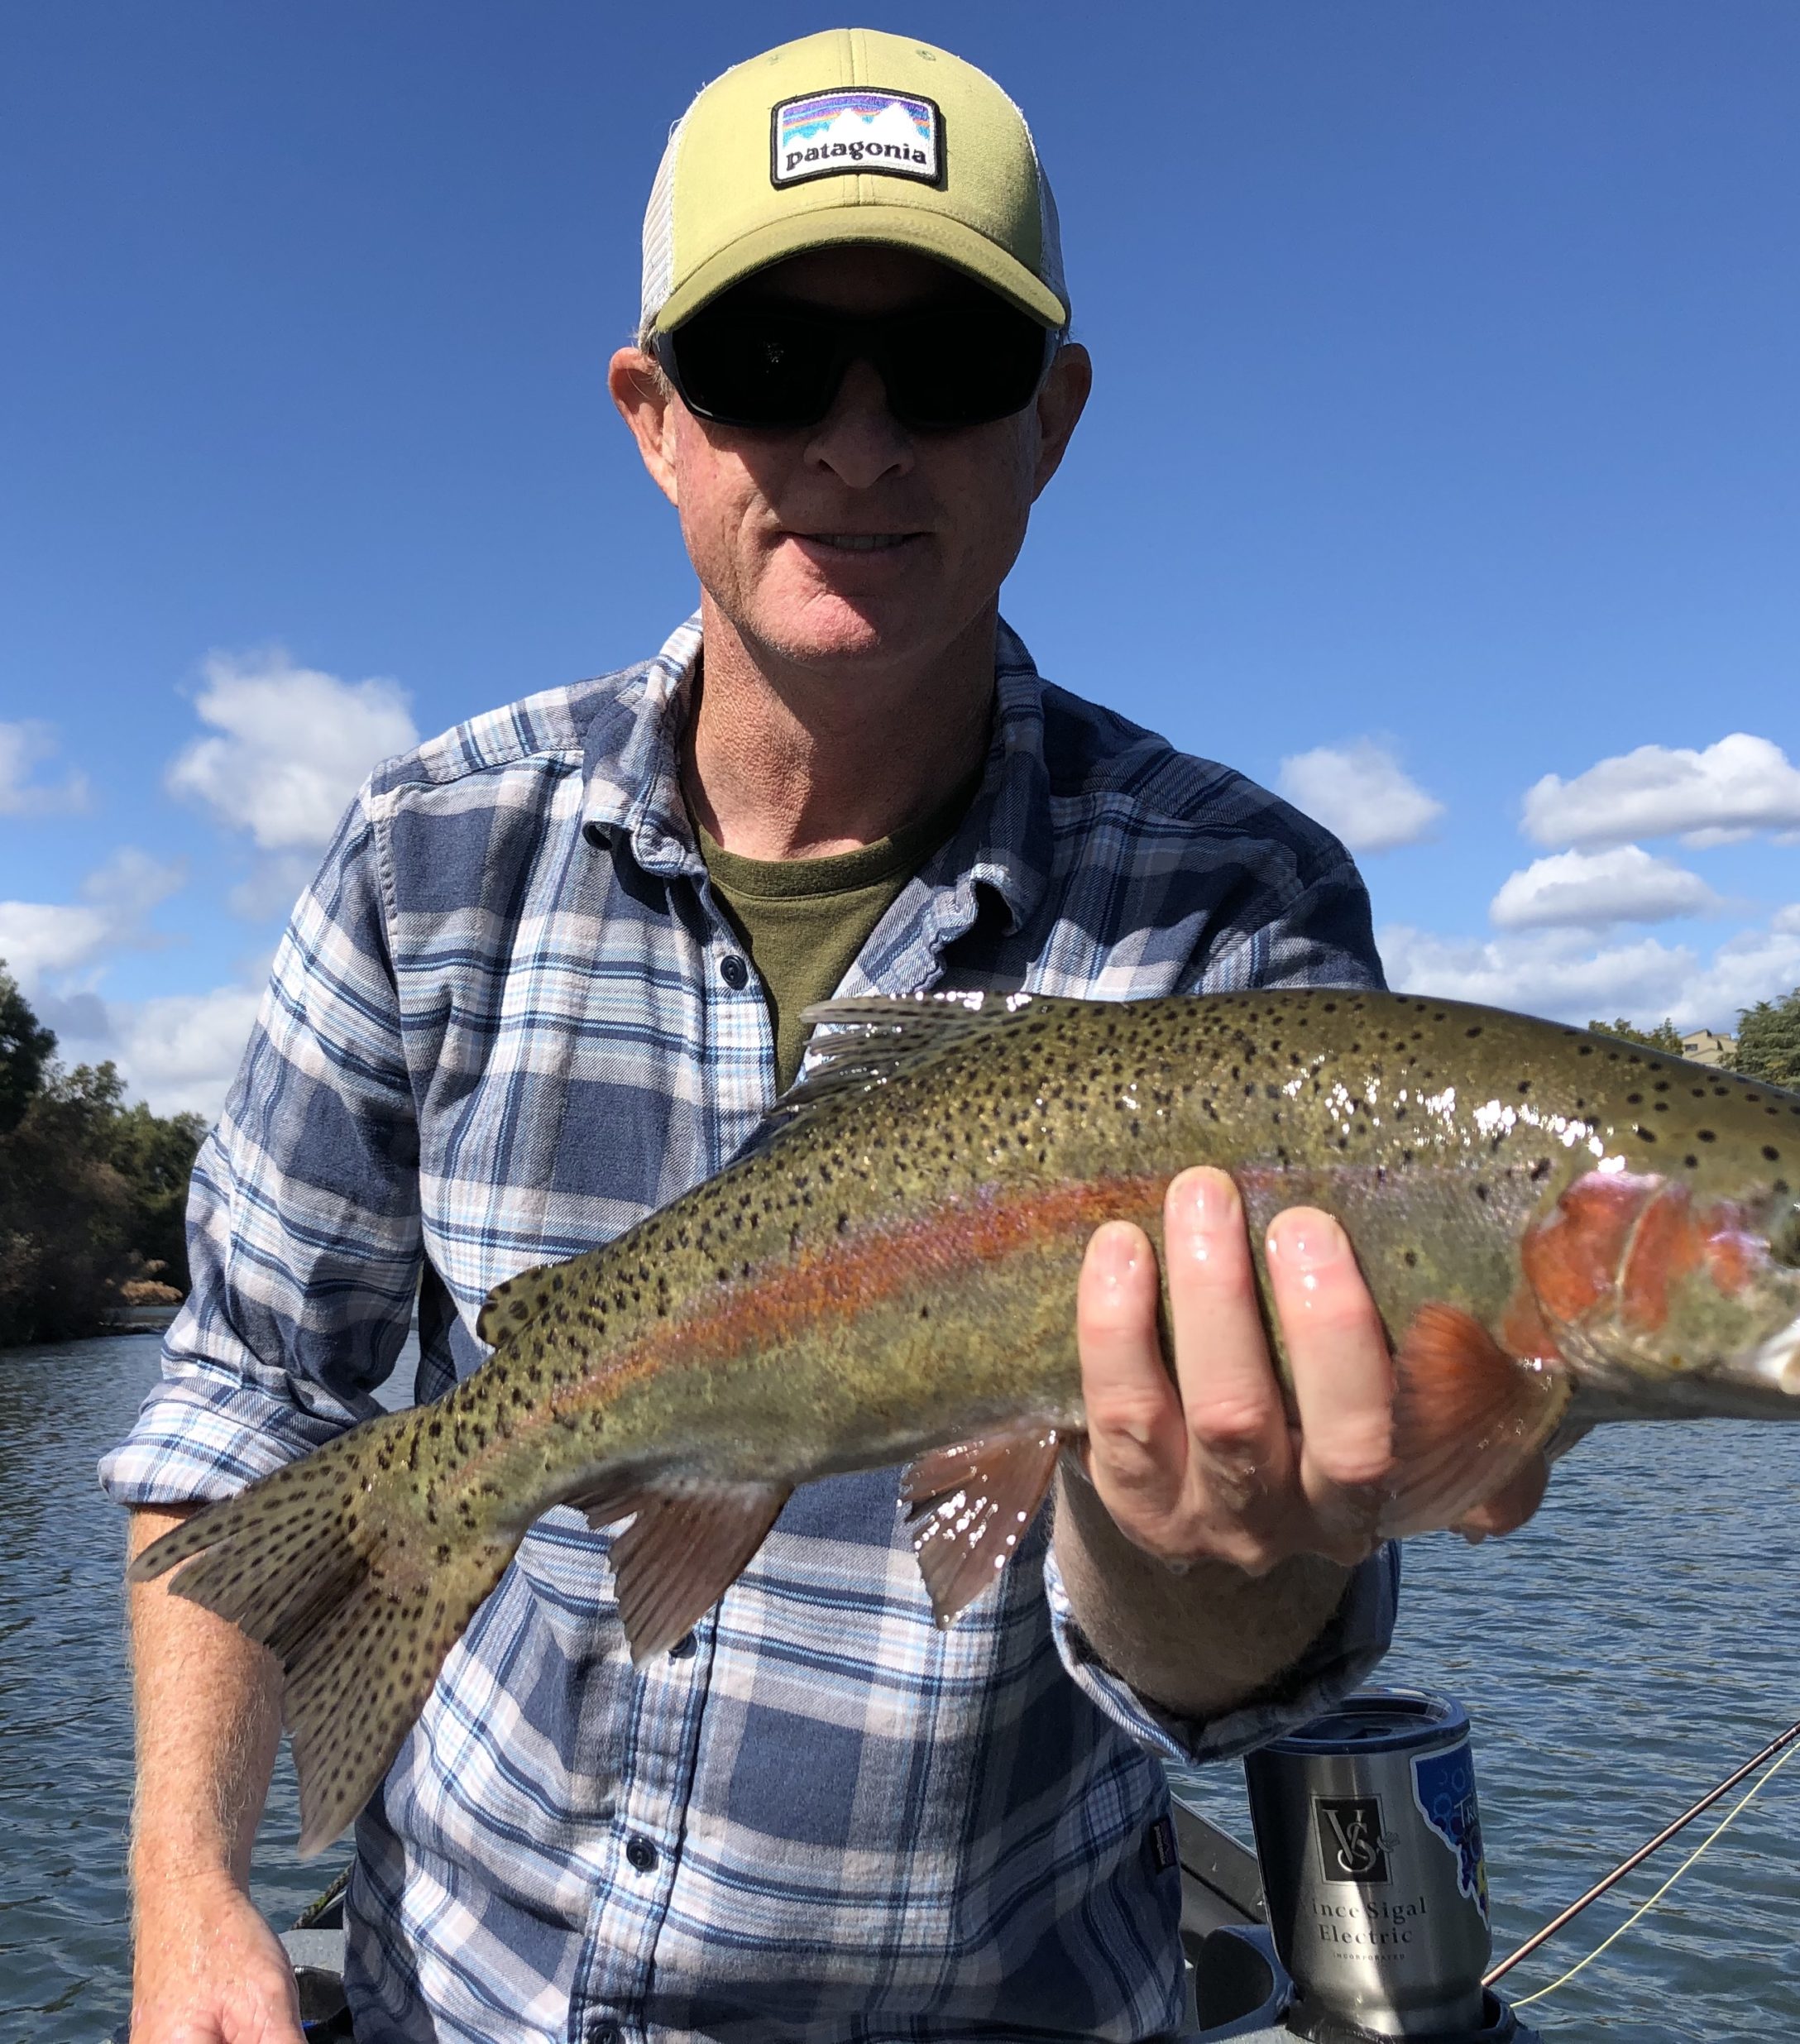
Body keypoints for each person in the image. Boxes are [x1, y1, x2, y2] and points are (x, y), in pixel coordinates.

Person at [108, 29, 1533, 2043]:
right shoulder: (421, 851)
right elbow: (250, 1401)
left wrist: (1206, 1552)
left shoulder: (1238, 907)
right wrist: (189, 1899)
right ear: (654, 419)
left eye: (940, 366)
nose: (858, 444)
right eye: (771, 367)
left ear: (1048, 422)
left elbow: (1229, 1671)